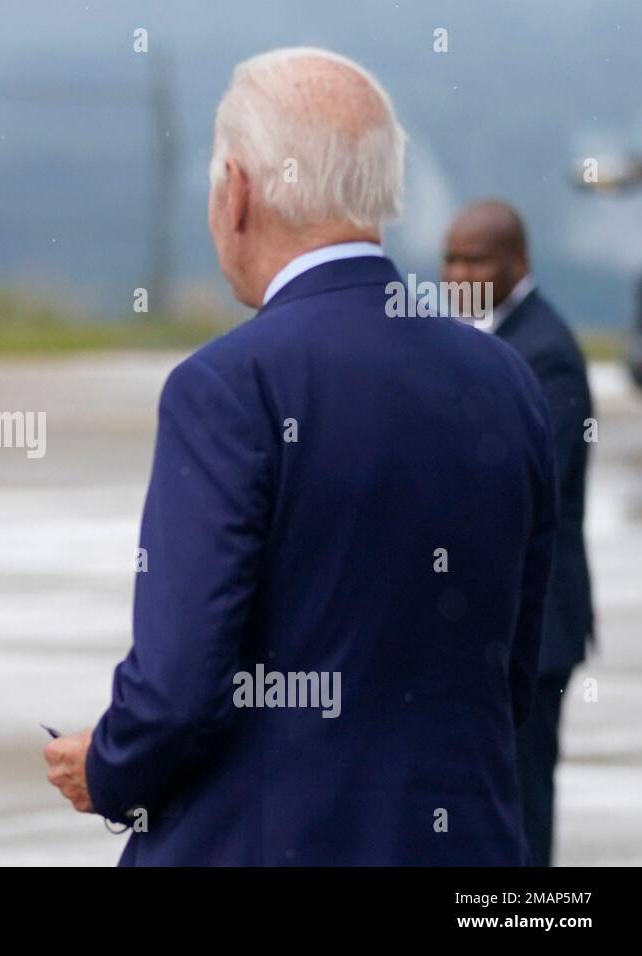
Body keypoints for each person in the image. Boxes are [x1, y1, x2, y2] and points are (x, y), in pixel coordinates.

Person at [45, 47, 557, 865]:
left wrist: (106, 765)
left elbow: (180, 688)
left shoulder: (226, 384)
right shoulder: (507, 379)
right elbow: (512, 669)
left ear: (236, 190)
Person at [444, 200, 594, 866]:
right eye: (449, 259)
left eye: (475, 259)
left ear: (518, 262)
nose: (457, 273)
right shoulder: (482, 336)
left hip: (537, 629)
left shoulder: (545, 352)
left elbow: (537, 491)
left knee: (523, 809)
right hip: (486, 625)